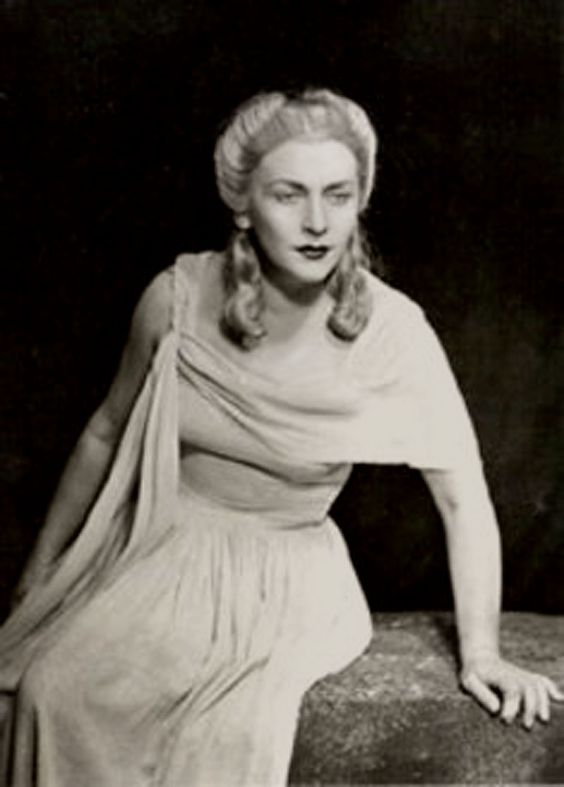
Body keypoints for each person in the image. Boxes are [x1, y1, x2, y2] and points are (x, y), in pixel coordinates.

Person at [0, 88, 561, 786]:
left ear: (360, 200)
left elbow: (462, 499)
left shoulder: (396, 331)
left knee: (224, 733)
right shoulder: (175, 297)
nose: (318, 222)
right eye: (289, 195)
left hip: (288, 577)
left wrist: (483, 653)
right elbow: (105, 432)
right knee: (50, 691)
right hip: (159, 549)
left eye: (338, 195)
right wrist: (41, 570)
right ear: (243, 204)